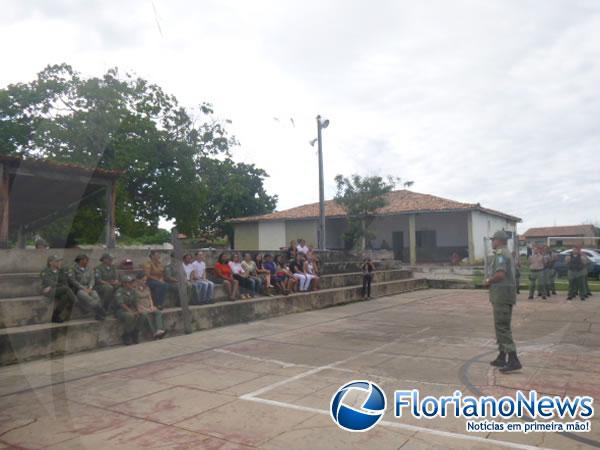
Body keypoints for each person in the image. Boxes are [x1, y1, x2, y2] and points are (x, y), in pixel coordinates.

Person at [484, 230, 521, 373]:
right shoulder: (506, 253)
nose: (492, 242)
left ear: (499, 240)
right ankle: (502, 356)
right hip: (504, 295)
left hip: (501, 296)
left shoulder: (501, 254)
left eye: (493, 240)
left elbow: (500, 275)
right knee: (501, 326)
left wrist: (488, 281)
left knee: (502, 327)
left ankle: (513, 359)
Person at [68, 254, 106, 320]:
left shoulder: (89, 268)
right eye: (86, 260)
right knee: (88, 299)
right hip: (78, 289)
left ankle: (98, 315)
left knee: (96, 296)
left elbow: (92, 279)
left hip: (89, 288)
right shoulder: (72, 269)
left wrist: (90, 288)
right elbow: (73, 281)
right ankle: (100, 310)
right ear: (81, 261)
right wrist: (84, 288)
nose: (87, 262)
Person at [40, 255, 76, 323]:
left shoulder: (61, 271)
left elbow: (64, 282)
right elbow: (48, 282)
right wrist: (54, 285)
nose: (59, 263)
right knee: (66, 289)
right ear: (50, 262)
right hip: (47, 291)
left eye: (60, 261)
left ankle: (55, 315)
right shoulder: (44, 271)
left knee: (65, 297)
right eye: (57, 261)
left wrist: (54, 285)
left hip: (57, 289)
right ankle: (76, 302)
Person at [135, 272, 166, 339]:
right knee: (146, 314)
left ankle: (159, 330)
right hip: (140, 307)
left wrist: (151, 306)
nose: (144, 282)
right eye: (143, 280)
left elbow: (150, 298)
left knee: (158, 312)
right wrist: (145, 309)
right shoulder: (134, 289)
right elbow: (136, 302)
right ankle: (154, 332)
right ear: (138, 280)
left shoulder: (147, 288)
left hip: (148, 306)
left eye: (145, 280)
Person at [114, 274, 142, 345]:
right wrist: (130, 311)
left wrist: (138, 310)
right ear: (124, 283)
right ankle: (127, 334)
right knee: (130, 316)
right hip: (121, 310)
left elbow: (136, 301)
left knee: (142, 314)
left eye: (131, 282)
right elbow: (121, 303)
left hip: (132, 308)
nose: (131, 284)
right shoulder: (119, 291)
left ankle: (135, 333)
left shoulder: (133, 291)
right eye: (129, 282)